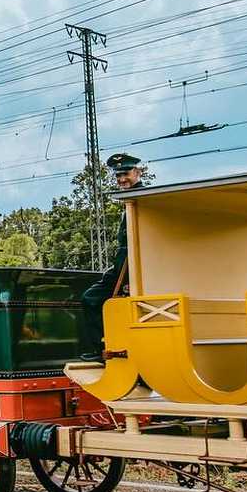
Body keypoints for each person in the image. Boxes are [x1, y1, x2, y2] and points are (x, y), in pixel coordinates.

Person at [78, 152, 145, 362]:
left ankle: (102, 348)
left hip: (130, 270)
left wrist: (124, 278)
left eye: (125, 174)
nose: (121, 179)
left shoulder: (141, 198)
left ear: (138, 172)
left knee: (91, 299)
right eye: (118, 176)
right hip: (124, 268)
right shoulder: (129, 200)